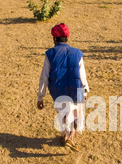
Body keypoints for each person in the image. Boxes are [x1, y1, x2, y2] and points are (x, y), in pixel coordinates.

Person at [37, 23, 89, 151]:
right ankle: (71, 137)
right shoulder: (77, 53)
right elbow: (82, 75)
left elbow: (44, 76)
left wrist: (40, 96)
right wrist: (86, 90)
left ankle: (65, 137)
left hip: (59, 92)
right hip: (77, 90)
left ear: (54, 39)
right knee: (77, 114)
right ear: (67, 38)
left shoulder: (50, 54)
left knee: (64, 115)